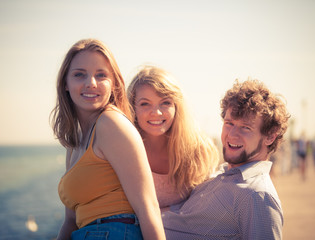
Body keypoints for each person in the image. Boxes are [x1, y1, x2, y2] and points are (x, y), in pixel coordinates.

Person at [51, 39, 165, 240]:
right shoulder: (75, 142)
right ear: (66, 84)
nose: (91, 83)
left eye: (101, 75)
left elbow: (148, 207)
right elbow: (70, 221)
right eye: (79, 74)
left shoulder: (111, 125)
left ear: (113, 84)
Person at [162, 79, 290, 240]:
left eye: (246, 127)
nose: (232, 134)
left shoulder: (257, 195)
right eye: (229, 123)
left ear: (270, 136)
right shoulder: (219, 176)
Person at [127, 66, 219, 210]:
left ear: (177, 106)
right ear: (133, 108)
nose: (156, 112)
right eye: (145, 104)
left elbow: (204, 206)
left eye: (165, 103)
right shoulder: (122, 151)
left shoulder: (199, 150)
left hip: (186, 231)